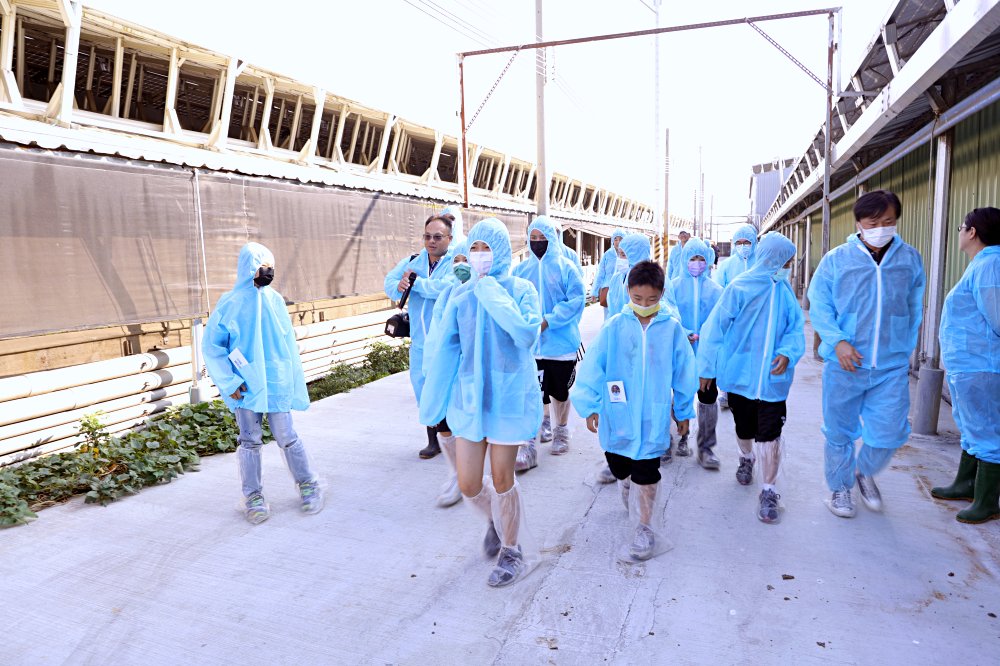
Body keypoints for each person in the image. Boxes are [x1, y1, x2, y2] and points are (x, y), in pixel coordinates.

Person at [419, 218, 543, 587]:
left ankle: (512, 549)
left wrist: (488, 290)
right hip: (470, 399)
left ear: (502, 251)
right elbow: (444, 348)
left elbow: (524, 333)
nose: (479, 255)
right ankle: (497, 519)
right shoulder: (460, 294)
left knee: (503, 477)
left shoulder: (521, 289)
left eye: (486, 248)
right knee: (470, 482)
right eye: (473, 248)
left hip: (507, 398)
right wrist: (435, 398)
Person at [808, 190, 926, 518]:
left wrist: (904, 345)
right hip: (844, 362)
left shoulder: (910, 259)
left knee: (890, 431)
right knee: (839, 431)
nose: (880, 228)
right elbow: (820, 304)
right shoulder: (837, 260)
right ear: (858, 223)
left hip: (890, 362)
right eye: (873, 222)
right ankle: (840, 488)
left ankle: (863, 472)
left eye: (888, 222)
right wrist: (837, 342)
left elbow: (914, 306)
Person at [571, 260, 697, 560]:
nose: (644, 305)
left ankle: (644, 526)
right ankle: (627, 487)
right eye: (638, 299)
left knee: (646, 471)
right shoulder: (615, 326)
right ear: (628, 292)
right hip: (617, 414)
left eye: (652, 300)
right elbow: (592, 367)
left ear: (661, 294)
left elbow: (683, 372)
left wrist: (682, 412)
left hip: (653, 415)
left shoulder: (671, 328)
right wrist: (590, 406)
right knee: (620, 467)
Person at [203, 242, 323, 524]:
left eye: (271, 266)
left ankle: (309, 484)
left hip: (276, 380)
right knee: (249, 441)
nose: (268, 272)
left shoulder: (275, 300)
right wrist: (229, 380)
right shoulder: (230, 303)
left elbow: (287, 345)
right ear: (249, 268)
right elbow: (213, 347)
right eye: (262, 266)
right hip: (245, 385)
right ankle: (253, 496)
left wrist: (292, 378)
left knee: (287, 436)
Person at [698, 232, 805, 523]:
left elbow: (795, 329)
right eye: (787, 261)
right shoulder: (740, 287)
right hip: (741, 376)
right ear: (774, 259)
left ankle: (768, 490)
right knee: (744, 428)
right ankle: (746, 458)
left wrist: (787, 352)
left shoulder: (783, 292)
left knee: (770, 433)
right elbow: (714, 328)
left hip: (772, 380)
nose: (789, 267)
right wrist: (707, 368)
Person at [931, 207, 1000, 524]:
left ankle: (986, 501)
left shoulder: (992, 264)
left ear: (972, 232)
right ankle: (966, 484)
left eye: (961, 226)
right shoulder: (983, 264)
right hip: (970, 364)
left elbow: (997, 318)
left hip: (982, 365)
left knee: (986, 431)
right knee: (973, 427)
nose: (959, 231)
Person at [511, 216, 585, 467]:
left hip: (560, 345)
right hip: (531, 347)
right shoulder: (521, 271)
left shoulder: (566, 267)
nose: (538, 243)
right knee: (533, 393)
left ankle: (561, 430)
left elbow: (576, 301)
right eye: (533, 239)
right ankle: (528, 444)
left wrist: (548, 321)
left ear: (552, 239)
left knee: (559, 392)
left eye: (543, 238)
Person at [383, 213, 457, 459]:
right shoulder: (413, 261)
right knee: (423, 389)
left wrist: (417, 285)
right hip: (420, 340)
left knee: (447, 388)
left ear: (449, 238)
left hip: (447, 341)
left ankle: (455, 438)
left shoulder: (457, 262)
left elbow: (446, 287)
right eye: (427, 236)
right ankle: (433, 440)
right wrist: (401, 285)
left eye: (437, 237)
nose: (431, 241)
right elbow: (390, 282)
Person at [422, 240, 472, 508]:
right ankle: (457, 474)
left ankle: (473, 477)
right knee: (443, 424)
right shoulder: (447, 294)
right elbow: (435, 334)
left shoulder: (484, 293)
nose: (461, 266)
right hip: (446, 370)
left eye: (467, 259)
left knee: (469, 428)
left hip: (471, 373)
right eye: (457, 260)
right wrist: (431, 370)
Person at [671, 237, 723, 469]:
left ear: (708, 260)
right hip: (679, 350)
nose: (697, 263)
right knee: (678, 394)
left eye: (701, 259)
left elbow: (721, 321)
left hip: (706, 352)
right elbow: (667, 315)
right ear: (684, 260)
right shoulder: (671, 287)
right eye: (692, 258)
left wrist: (706, 335)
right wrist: (683, 331)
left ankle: (706, 447)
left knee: (707, 397)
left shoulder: (716, 290)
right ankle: (681, 437)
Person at [591, 228, 628, 319]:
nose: (618, 242)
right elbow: (600, 273)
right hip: (608, 290)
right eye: (615, 239)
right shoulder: (607, 255)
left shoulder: (627, 254)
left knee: (621, 316)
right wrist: (594, 291)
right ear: (612, 241)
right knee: (608, 317)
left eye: (620, 239)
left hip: (623, 290)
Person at [715, 224, 758, 288]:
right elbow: (718, 288)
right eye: (739, 243)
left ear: (754, 243)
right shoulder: (726, 265)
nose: (742, 246)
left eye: (746, 242)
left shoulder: (760, 262)